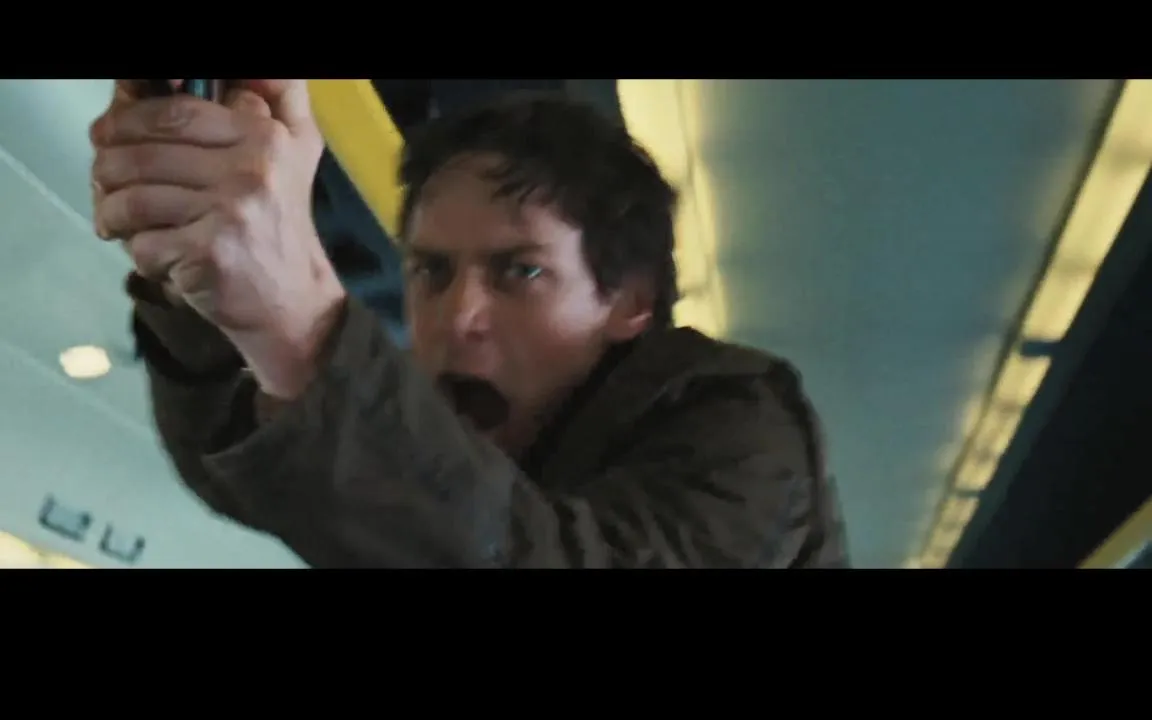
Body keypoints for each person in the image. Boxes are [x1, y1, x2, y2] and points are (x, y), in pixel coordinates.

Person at [89, 79, 848, 568]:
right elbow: (254, 468)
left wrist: (305, 326)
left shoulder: (740, 421)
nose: (460, 317)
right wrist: (193, 279)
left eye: (520, 272)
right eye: (432, 271)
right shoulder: (454, 441)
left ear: (630, 302)